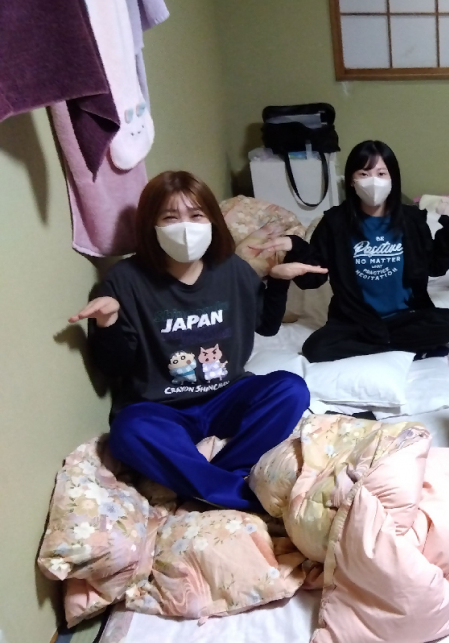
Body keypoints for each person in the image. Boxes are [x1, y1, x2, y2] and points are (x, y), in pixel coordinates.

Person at [69, 171, 321, 510]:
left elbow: (266, 326)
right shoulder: (125, 280)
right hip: (162, 408)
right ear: (152, 224)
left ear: (212, 221)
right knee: (128, 431)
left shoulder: (233, 270)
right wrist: (108, 324)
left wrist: (277, 282)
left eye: (196, 215)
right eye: (170, 217)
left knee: (291, 390)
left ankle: (215, 478)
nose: (185, 227)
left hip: (226, 394)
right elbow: (114, 367)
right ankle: (235, 493)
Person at [264, 140, 449, 362]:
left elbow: (435, 268)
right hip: (355, 321)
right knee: (315, 349)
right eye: (364, 174)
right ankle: (406, 346)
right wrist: (295, 247)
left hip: (406, 316)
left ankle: (379, 343)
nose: (373, 181)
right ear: (351, 180)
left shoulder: (411, 220)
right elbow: (314, 278)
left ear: (393, 179)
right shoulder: (334, 223)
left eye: (381, 174)